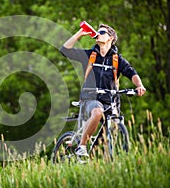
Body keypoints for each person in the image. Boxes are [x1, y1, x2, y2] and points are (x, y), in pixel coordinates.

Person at [60, 23, 146, 157]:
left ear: (110, 38)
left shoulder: (117, 60)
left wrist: (139, 85)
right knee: (97, 111)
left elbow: (131, 72)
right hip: (91, 98)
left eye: (102, 32)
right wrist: (80, 33)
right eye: (98, 31)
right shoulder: (90, 55)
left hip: (110, 100)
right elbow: (65, 50)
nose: (98, 34)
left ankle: (98, 157)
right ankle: (82, 146)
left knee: (113, 127)